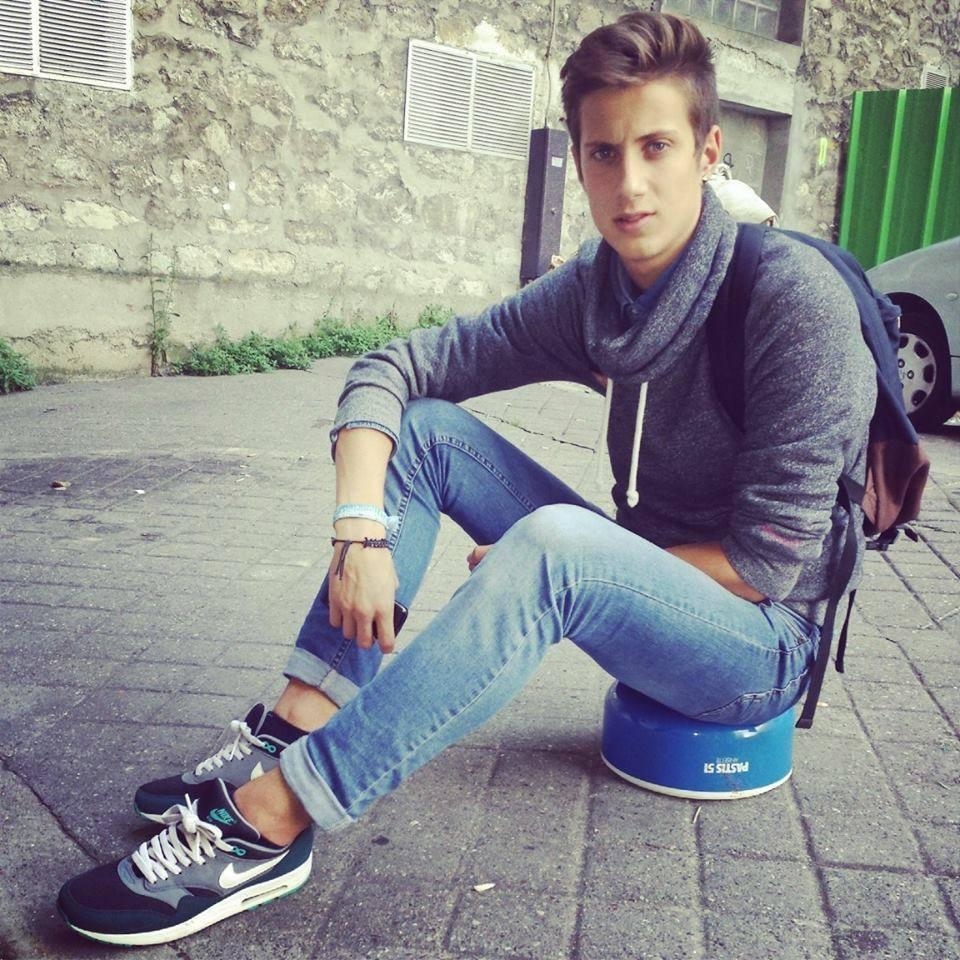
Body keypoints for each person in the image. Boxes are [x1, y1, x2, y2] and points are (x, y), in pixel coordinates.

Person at [57, 11, 876, 946]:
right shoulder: (600, 290)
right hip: (643, 573)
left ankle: (274, 820)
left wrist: (575, 561)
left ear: (709, 151)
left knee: (557, 549)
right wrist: (360, 527)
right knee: (429, 433)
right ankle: (297, 722)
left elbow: (765, 568)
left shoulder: (791, 303)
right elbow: (396, 367)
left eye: (656, 147)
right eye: (603, 153)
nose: (629, 184)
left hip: (759, 645)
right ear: (580, 161)